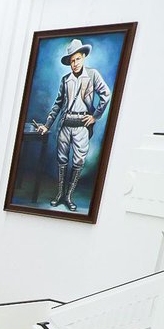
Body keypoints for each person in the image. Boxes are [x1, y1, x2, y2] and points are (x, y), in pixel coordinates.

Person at [35, 38, 112, 212]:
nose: (75, 63)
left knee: (78, 160)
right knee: (62, 159)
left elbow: (106, 94)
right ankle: (59, 194)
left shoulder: (92, 75)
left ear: (83, 57)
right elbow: (57, 104)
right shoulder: (65, 79)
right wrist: (47, 125)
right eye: (72, 61)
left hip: (82, 126)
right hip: (65, 125)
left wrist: (95, 116)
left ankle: (69, 196)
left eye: (77, 59)